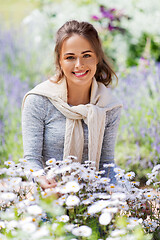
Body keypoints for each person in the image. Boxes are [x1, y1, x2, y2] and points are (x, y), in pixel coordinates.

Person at [22, 20, 122, 190]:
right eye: (70, 57)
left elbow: (106, 165)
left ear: (97, 57)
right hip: (50, 199)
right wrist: (42, 180)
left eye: (87, 55)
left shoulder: (108, 106)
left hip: (93, 199)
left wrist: (120, 194)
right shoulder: (39, 100)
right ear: (59, 61)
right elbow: (31, 159)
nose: (79, 65)